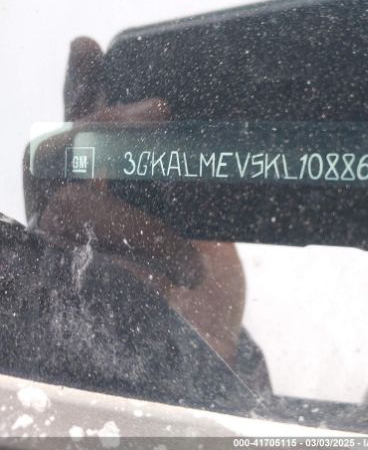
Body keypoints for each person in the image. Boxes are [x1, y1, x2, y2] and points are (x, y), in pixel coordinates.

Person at [9, 37, 271, 411]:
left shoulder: (209, 299)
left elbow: (251, 430)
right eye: (126, 155)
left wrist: (209, 352)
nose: (160, 175)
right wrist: (40, 279)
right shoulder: (44, 267)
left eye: (183, 157)